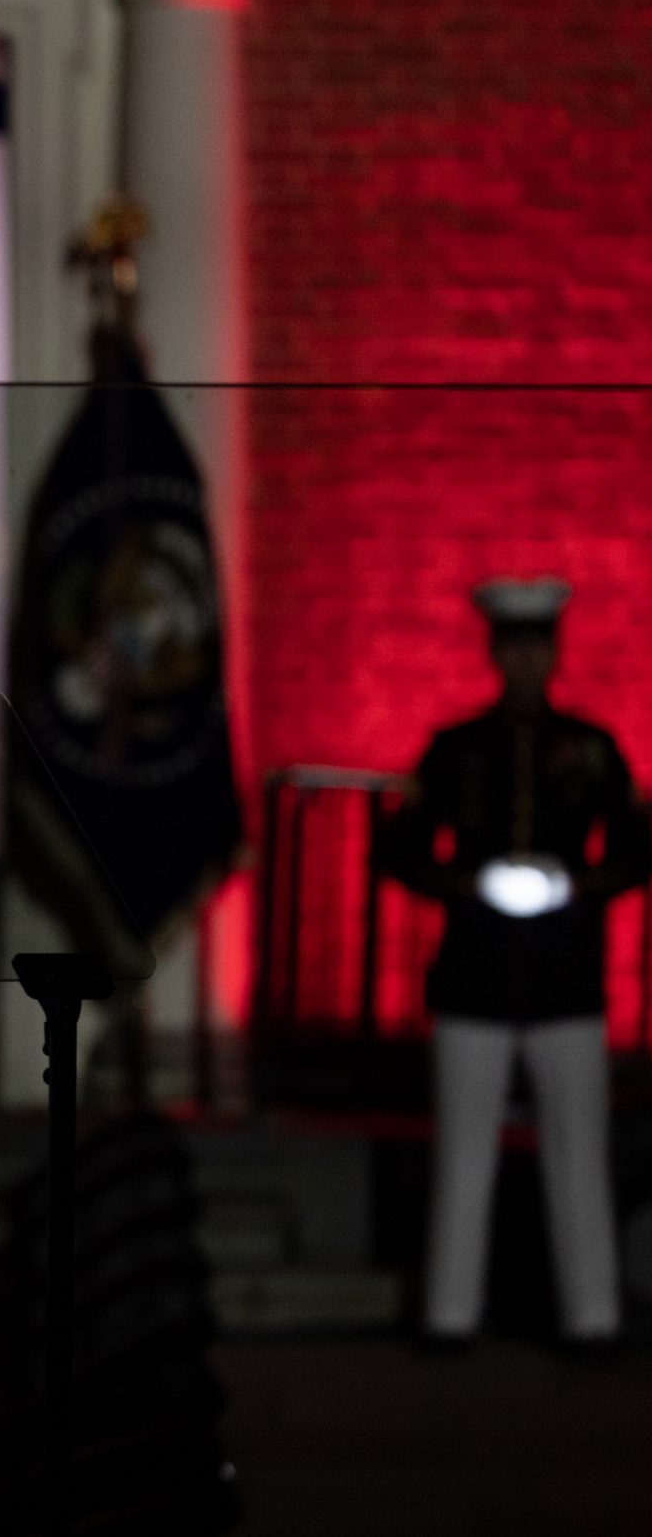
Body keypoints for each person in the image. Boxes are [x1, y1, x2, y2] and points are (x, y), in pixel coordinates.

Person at [376, 576, 647, 1356]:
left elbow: (636, 846)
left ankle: (592, 1317)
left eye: (539, 645)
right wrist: (469, 885)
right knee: (464, 1148)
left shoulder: (592, 747)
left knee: (579, 1148)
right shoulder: (456, 748)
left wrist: (578, 885)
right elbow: (401, 848)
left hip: (565, 972)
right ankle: (450, 1313)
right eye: (515, 645)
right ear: (496, 652)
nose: (527, 660)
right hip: (476, 969)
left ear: (553, 653)